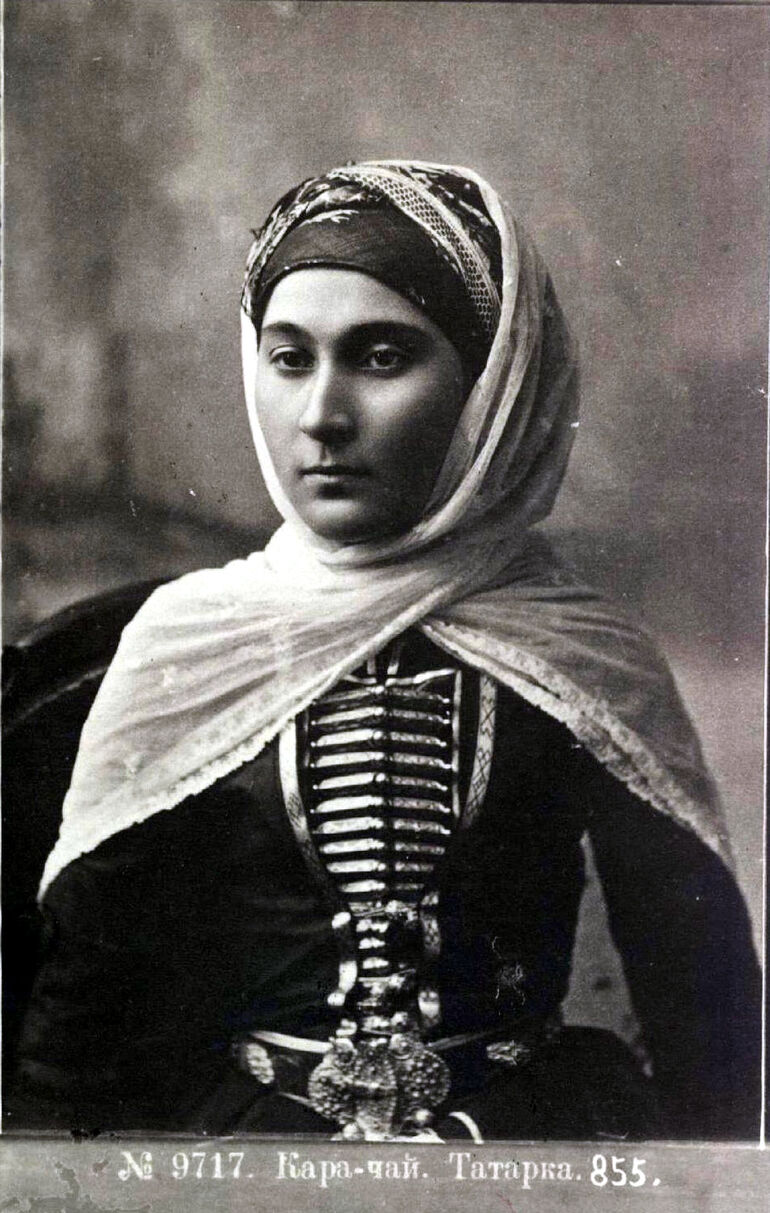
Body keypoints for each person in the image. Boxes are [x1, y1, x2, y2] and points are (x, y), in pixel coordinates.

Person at [7, 160, 760, 1141]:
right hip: (247, 1156)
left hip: (525, 1148)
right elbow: (72, 1061)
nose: (321, 415)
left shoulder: (585, 658)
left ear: (491, 385)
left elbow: (712, 1048)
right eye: (290, 358)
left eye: (380, 356)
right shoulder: (188, 648)